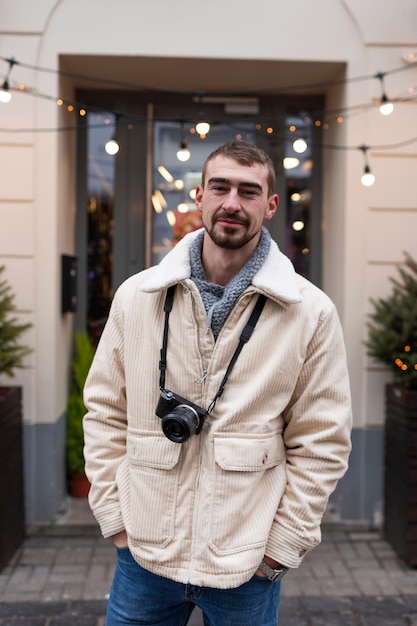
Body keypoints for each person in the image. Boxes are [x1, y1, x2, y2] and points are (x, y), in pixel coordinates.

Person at [83, 140, 352, 626]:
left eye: (249, 191)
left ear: (270, 206)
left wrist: (279, 551)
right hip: (144, 556)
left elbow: (323, 443)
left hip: (245, 565)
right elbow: (104, 411)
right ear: (200, 196)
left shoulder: (310, 313)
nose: (232, 202)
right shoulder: (136, 297)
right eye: (220, 187)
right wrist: (116, 521)